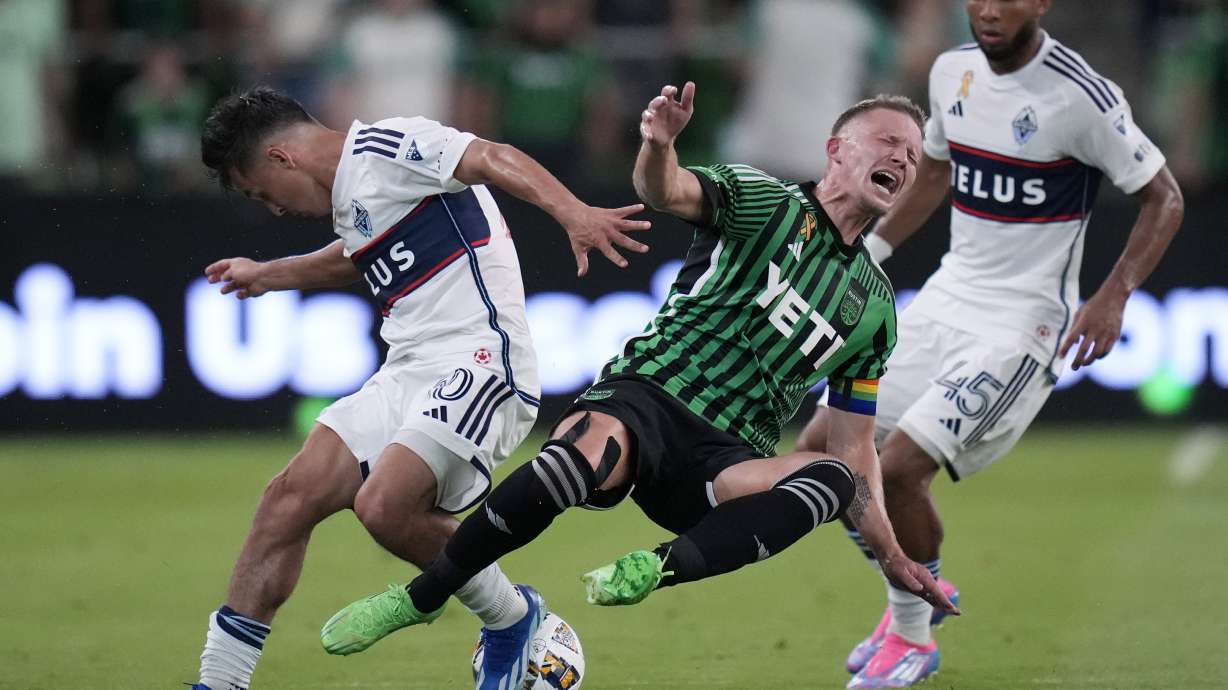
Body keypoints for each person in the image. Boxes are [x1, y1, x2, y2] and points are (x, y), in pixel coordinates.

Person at [318, 82, 959, 678]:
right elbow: (667, 191)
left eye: (911, 153)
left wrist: (893, 556)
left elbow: (853, 444)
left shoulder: (875, 309)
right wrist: (658, 144)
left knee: (834, 479)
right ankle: (420, 597)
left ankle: (657, 567)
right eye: (887, 142)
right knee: (577, 462)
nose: (902, 159)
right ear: (837, 151)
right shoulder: (767, 201)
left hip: (724, 458)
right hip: (648, 396)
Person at [188, 86, 651, 690]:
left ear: (281, 159)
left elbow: (490, 156)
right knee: (286, 500)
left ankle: (512, 618)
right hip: (407, 368)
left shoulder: (385, 146)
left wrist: (574, 212)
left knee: (383, 507)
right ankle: (218, 684)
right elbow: (355, 256)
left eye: (260, 193)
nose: (271, 209)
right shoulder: (355, 197)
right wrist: (269, 275)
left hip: (483, 359)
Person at [793, 1, 1185, 687]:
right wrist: (869, 253)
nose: (989, 9)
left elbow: (1165, 197)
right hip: (948, 297)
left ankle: (912, 638)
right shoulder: (952, 74)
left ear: (1040, 3)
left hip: (1021, 325)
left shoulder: (1081, 96)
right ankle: (915, 592)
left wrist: (1114, 294)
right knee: (823, 448)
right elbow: (938, 170)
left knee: (901, 466)